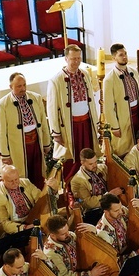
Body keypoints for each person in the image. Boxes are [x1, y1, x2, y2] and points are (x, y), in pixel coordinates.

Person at [46, 44, 101, 182]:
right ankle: (71, 185)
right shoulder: (56, 80)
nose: (76, 61)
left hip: (86, 122)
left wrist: (96, 122)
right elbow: (52, 109)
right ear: (66, 59)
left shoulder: (85, 74)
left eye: (78, 58)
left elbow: (92, 101)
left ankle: (90, 179)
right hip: (70, 126)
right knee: (72, 158)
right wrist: (56, 133)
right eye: (73, 58)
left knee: (88, 153)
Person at [0, 72, 52, 189]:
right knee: (21, 175)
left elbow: (43, 123)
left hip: (35, 143)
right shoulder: (2, 105)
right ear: (11, 87)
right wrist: (5, 155)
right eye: (19, 86)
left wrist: (46, 143)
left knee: (37, 174)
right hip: (17, 147)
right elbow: (0, 132)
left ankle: (40, 201)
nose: (23, 88)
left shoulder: (35, 98)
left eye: (24, 85)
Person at [0, 165, 57, 248]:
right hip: (12, 228)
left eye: (16, 179)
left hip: (32, 219)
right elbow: (2, 223)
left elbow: (40, 199)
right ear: (2, 180)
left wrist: (54, 190)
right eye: (11, 181)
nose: (15, 183)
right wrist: (24, 228)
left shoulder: (25, 182)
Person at [102, 43, 139, 158]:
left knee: (137, 140)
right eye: (121, 55)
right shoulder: (109, 79)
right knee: (124, 146)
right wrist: (114, 127)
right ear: (114, 58)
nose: (125, 57)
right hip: (123, 116)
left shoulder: (133, 71)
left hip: (137, 112)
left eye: (125, 54)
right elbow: (108, 106)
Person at [69, 148, 120, 225]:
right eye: (91, 164)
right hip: (94, 212)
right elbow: (87, 203)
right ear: (82, 163)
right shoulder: (77, 181)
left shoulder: (102, 167)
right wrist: (109, 195)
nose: (95, 165)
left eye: (95, 162)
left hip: (111, 206)